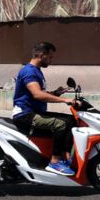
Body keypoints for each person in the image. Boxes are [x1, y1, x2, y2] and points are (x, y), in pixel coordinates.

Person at [12, 41, 78, 176]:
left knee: (71, 120)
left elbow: (37, 93)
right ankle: (55, 162)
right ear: (42, 55)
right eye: (50, 57)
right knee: (60, 124)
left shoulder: (36, 71)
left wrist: (55, 93)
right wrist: (65, 100)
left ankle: (66, 158)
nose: (51, 60)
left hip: (35, 112)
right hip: (25, 114)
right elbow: (37, 94)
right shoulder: (29, 71)